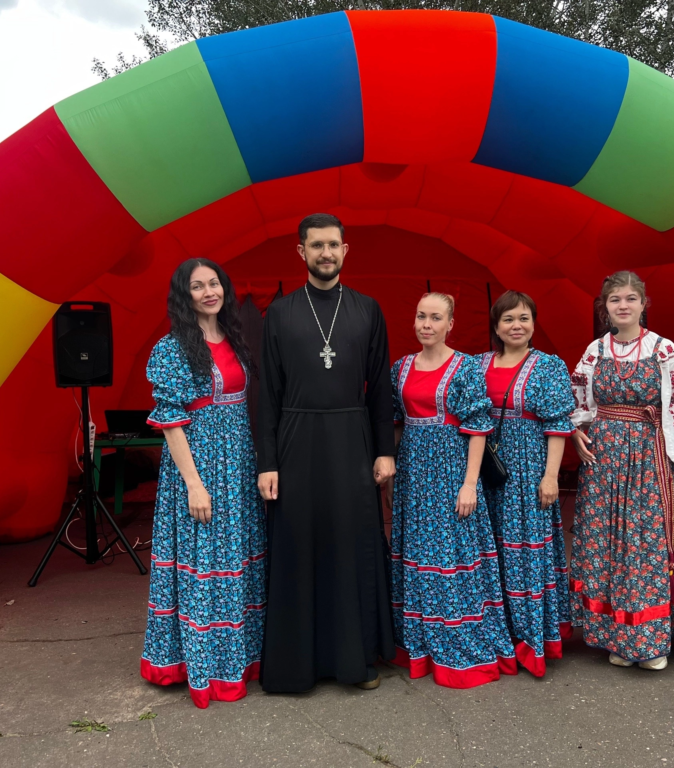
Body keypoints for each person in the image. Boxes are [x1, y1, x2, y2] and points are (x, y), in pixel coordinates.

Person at [257, 213, 396, 692]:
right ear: (301, 251)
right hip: (295, 442)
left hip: (352, 441)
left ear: (345, 249)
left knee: (350, 545)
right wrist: (267, 462)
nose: (325, 254)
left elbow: (379, 387)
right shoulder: (279, 313)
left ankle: (354, 660)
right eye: (316, 245)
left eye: (333, 245)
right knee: (299, 545)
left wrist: (385, 451)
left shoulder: (367, 310)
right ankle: (297, 666)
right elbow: (266, 395)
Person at [140, 258, 267, 708]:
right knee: (205, 565)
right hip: (199, 468)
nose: (209, 291)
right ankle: (207, 667)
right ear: (184, 295)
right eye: (198, 286)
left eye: (214, 283)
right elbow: (172, 423)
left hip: (238, 465)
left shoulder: (233, 339)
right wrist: (194, 483)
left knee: (237, 562)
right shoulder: (171, 348)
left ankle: (240, 658)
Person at [570, 271, 674, 670]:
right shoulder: (595, 350)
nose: (623, 306)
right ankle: (616, 635)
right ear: (606, 307)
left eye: (631, 298)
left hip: (651, 457)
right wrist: (577, 429)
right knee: (608, 544)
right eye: (615, 299)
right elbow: (578, 398)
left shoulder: (663, 349)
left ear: (643, 304)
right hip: (604, 462)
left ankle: (650, 641)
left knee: (645, 544)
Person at [387, 293, 516, 688]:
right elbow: (395, 422)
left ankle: (457, 642)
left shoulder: (464, 367)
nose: (427, 324)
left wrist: (469, 484)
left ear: (450, 324)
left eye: (435, 318)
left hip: (451, 471)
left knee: (451, 556)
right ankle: (421, 644)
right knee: (418, 555)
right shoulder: (401, 368)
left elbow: (478, 428)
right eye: (421, 316)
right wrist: (392, 472)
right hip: (413, 472)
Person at [479, 291, 575, 676]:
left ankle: (531, 637)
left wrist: (550, 476)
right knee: (491, 552)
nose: (516, 326)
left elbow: (557, 425)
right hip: (486, 469)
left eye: (523, 318)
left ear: (534, 323)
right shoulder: (477, 364)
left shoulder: (549, 366)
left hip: (529, 470)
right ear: (496, 326)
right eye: (508, 320)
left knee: (524, 554)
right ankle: (496, 635)